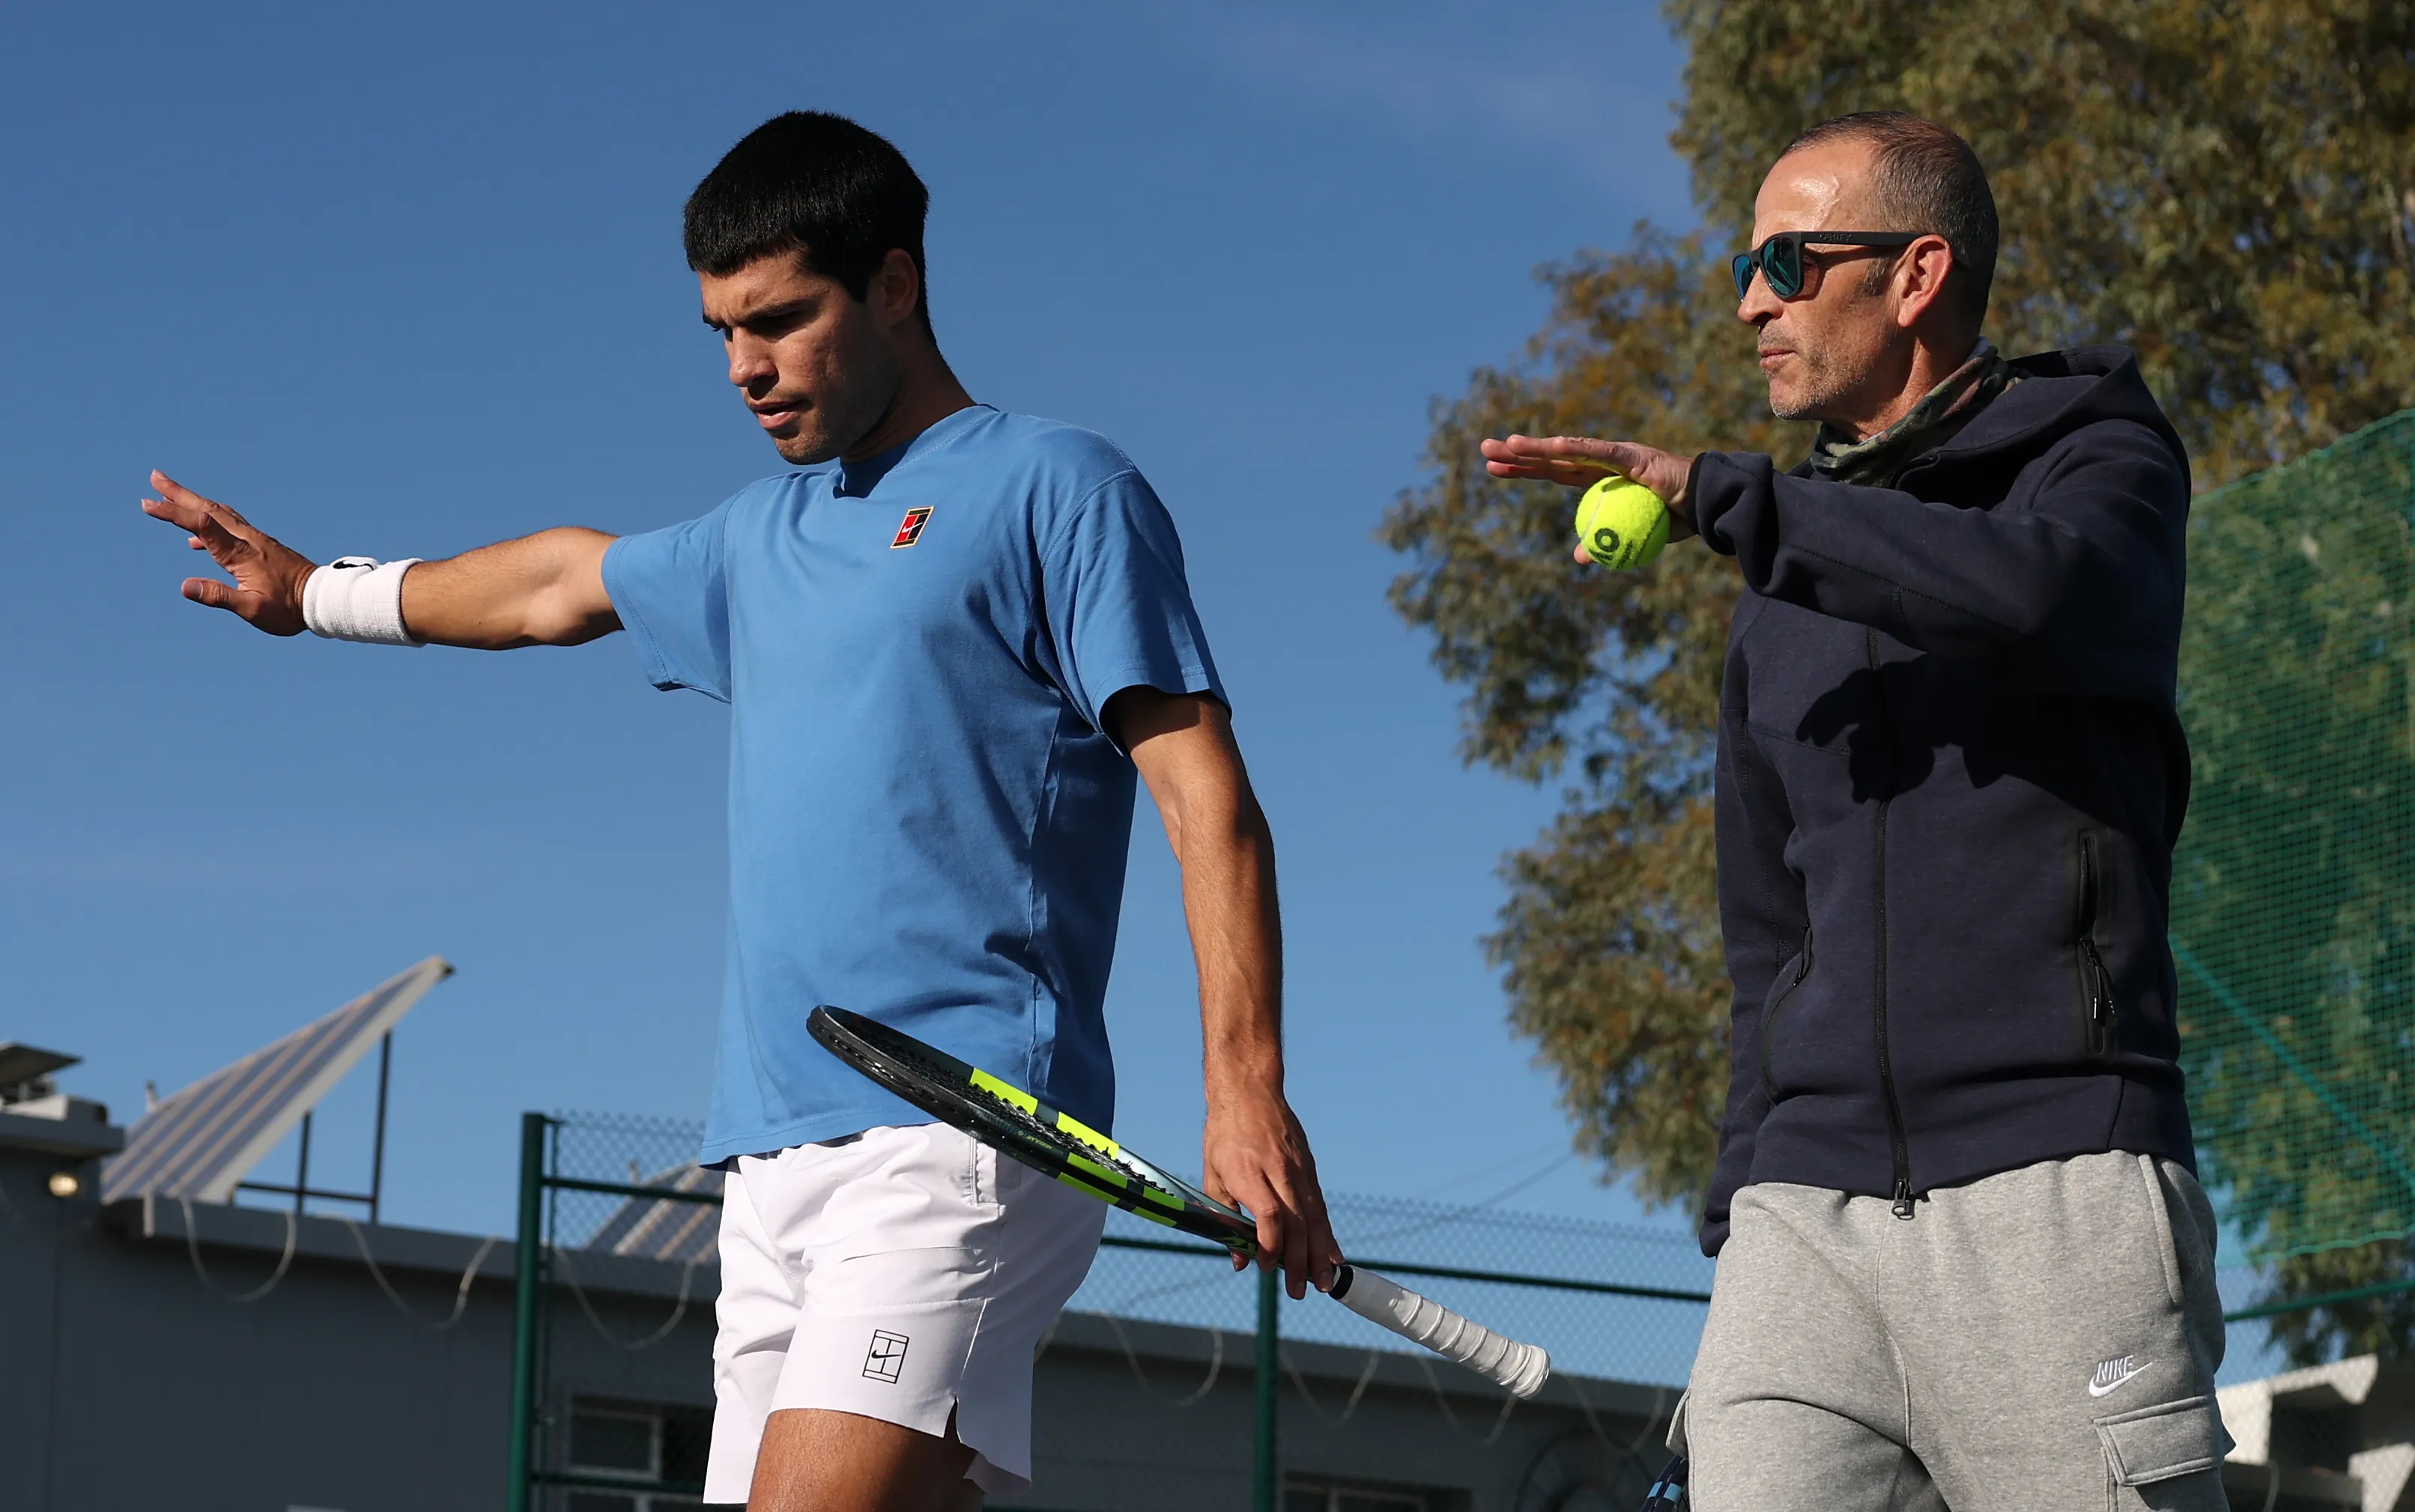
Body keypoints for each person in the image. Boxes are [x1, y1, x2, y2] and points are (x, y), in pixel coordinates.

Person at [143, 110, 1340, 1512]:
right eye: (720, 331)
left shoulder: (1057, 488)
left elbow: (1210, 802)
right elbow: (553, 585)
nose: (744, 370)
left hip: (963, 1125)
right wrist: (315, 594)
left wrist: (1245, 1086)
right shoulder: (756, 542)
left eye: (779, 320)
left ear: (896, 285)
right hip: (769, 1159)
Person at [1485, 113, 2221, 1511]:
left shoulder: (2100, 464)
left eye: (1786, 258)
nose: (1752, 299)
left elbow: (2033, 594)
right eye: (1745, 266)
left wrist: (1721, 497)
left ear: (1918, 272)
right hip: (1800, 1225)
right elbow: (1767, 931)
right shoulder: (1782, 591)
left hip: (2056, 1186)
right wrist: (1744, 1202)